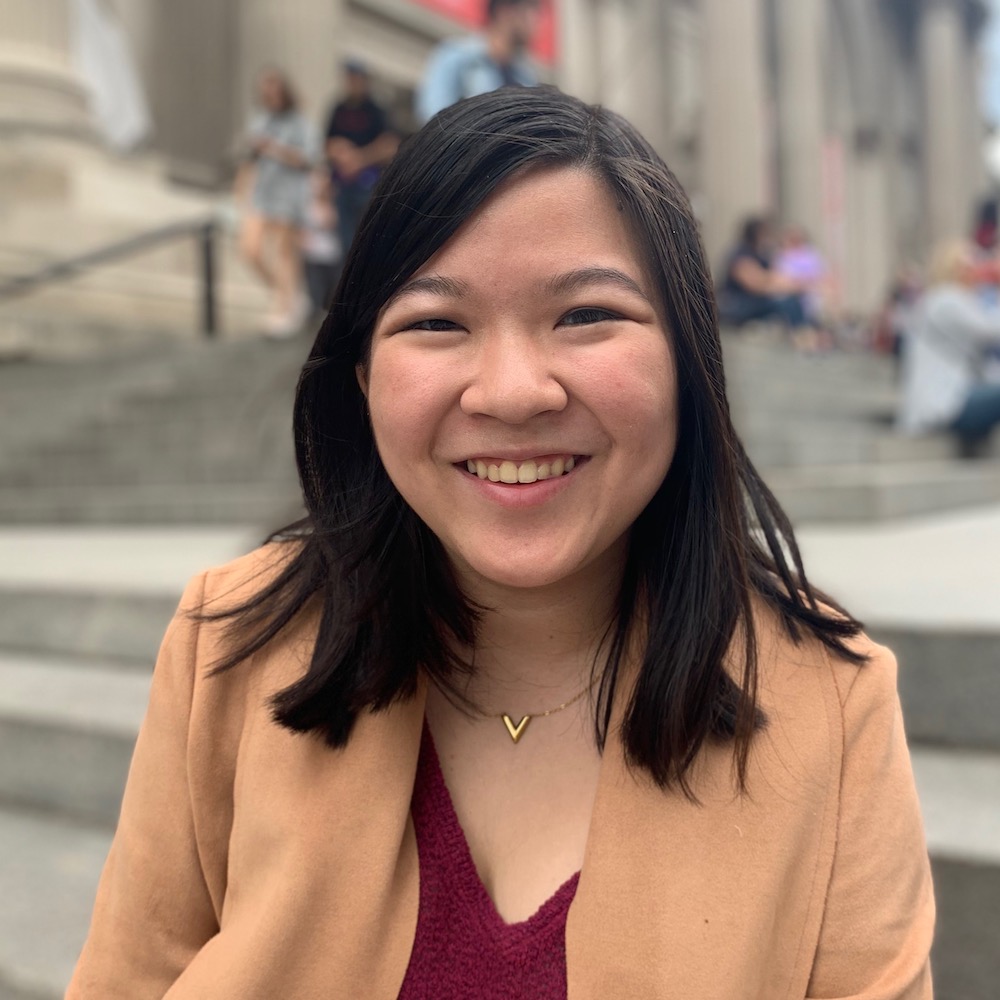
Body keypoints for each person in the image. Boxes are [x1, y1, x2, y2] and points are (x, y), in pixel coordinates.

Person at [69, 88, 934, 998]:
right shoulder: (228, 649)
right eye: (437, 323)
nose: (514, 392)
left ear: (689, 359)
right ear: (362, 377)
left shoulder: (834, 705)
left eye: (586, 315)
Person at [899, 239, 1000, 457]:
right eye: (971, 266)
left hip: (961, 395)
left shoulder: (961, 301)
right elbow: (992, 331)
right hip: (947, 403)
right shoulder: (945, 299)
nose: (978, 271)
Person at [237, 67, 317, 337]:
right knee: (250, 250)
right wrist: (241, 191)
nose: (270, 95)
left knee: (284, 253)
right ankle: (288, 296)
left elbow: (307, 159)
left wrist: (274, 149)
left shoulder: (300, 123)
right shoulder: (260, 121)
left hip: (288, 196)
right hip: (262, 194)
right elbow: (249, 160)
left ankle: (285, 308)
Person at [416, 0, 540, 124]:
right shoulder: (456, 56)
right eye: (529, 12)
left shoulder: (526, 78)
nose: (535, 23)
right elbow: (433, 117)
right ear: (505, 12)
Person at [324, 60, 399, 252]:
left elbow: (390, 145)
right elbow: (327, 143)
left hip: (368, 183)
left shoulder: (376, 110)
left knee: (366, 240)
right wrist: (340, 151)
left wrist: (359, 159)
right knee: (344, 244)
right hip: (343, 184)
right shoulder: (338, 108)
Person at [717, 215, 816, 337]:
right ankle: (803, 335)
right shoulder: (740, 254)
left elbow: (774, 277)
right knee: (784, 302)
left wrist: (793, 285)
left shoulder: (761, 254)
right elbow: (757, 285)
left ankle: (805, 332)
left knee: (792, 301)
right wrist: (788, 287)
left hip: (754, 302)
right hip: (737, 305)